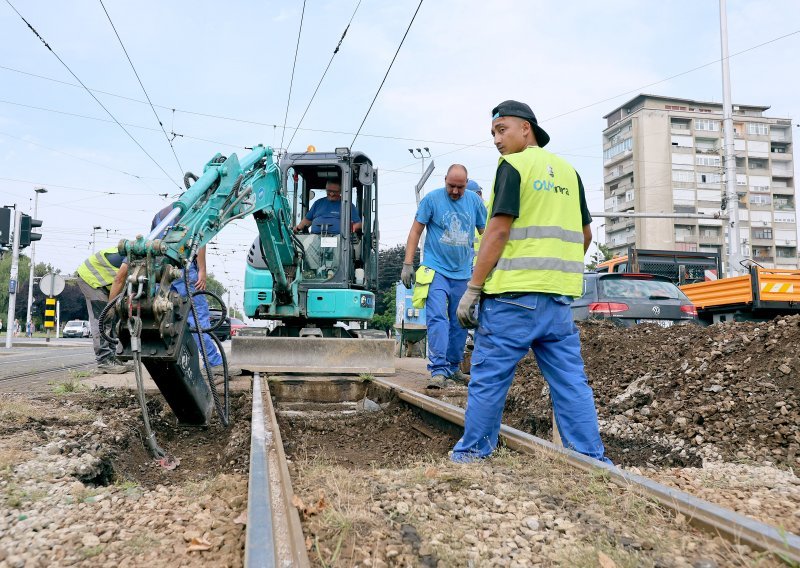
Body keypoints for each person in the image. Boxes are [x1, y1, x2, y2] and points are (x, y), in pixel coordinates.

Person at [452, 100, 611, 464]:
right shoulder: (569, 172)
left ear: (527, 128)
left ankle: (473, 454)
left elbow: (498, 230)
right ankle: (591, 458)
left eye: (502, 129)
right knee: (570, 383)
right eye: (493, 132)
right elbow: (585, 235)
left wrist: (473, 288)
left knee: (489, 379)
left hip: (512, 299)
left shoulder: (514, 165)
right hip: (557, 301)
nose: (496, 139)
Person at [401, 164, 487, 387]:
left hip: (463, 273)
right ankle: (438, 370)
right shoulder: (432, 200)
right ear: (444, 180)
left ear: (467, 184)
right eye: (451, 186)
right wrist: (407, 263)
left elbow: (486, 233)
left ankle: (454, 367)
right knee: (437, 317)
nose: (455, 191)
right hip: (435, 269)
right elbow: (415, 231)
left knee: (460, 320)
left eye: (460, 187)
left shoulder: (475, 202)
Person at [76, 247, 134, 373]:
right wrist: (110, 306)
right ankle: (103, 361)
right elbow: (118, 279)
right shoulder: (133, 257)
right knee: (103, 317)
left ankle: (112, 358)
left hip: (103, 283)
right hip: (90, 279)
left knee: (112, 318)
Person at [294, 180, 362, 235]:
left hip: (340, 241)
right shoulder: (318, 203)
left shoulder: (348, 205)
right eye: (329, 191)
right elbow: (307, 220)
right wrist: (298, 228)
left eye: (335, 192)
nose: (331, 194)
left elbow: (358, 224)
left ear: (341, 191)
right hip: (315, 240)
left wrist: (349, 231)